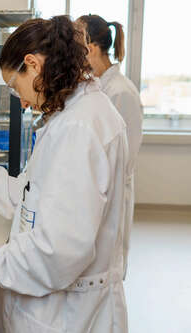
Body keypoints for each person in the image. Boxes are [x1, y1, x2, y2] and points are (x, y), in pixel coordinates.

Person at [0, 16, 130, 332]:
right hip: (57, 306)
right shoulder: (70, 117)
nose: (20, 100)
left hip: (67, 313)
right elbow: (31, 200)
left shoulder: (79, 128)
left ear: (33, 65)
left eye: (14, 85)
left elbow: (59, 249)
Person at [77, 14, 143, 277]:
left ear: (91, 49)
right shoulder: (98, 87)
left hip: (110, 197)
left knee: (106, 272)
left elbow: (124, 160)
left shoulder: (120, 92)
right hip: (94, 195)